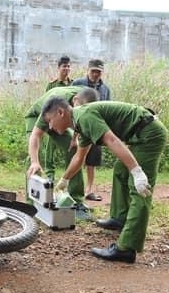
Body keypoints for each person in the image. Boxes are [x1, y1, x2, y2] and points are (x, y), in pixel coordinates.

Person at [41, 98, 166, 263]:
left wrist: (137, 172)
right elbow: (80, 157)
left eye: (50, 120)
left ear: (60, 112)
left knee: (140, 189)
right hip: (139, 134)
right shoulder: (80, 122)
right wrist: (64, 180)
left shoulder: (84, 116)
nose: (50, 127)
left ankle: (126, 248)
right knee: (120, 171)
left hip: (149, 133)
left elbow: (112, 140)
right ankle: (120, 218)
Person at [25, 86, 99, 220]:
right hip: (40, 114)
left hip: (60, 117)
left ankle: (76, 201)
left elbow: (80, 123)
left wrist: (75, 138)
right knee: (33, 157)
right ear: (75, 101)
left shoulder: (84, 101)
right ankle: (32, 205)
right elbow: (35, 135)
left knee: (74, 149)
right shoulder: (55, 104)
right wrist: (34, 161)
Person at [72, 59, 111, 202]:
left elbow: (107, 108)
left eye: (98, 72)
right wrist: (74, 133)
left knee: (92, 161)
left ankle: (89, 190)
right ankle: (74, 188)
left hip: (95, 127)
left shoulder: (105, 89)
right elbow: (72, 104)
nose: (95, 74)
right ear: (88, 70)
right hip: (78, 126)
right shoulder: (77, 84)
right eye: (93, 71)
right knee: (76, 157)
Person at [43, 56, 73, 183]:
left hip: (67, 120)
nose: (66, 69)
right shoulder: (52, 85)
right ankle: (49, 174)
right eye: (64, 66)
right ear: (58, 68)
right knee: (50, 148)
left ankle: (69, 174)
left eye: (68, 66)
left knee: (71, 146)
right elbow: (46, 103)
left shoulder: (73, 84)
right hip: (54, 120)